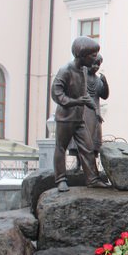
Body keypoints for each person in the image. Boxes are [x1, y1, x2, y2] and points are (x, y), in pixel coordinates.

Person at [51, 36, 109, 192]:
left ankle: (92, 179)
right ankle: (61, 179)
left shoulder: (84, 70)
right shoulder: (65, 70)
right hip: (65, 118)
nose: (96, 58)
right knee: (61, 147)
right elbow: (56, 94)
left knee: (88, 147)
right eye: (93, 55)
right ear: (82, 55)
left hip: (79, 117)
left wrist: (95, 110)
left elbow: (85, 96)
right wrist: (75, 101)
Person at [69, 53, 109, 163]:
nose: (96, 67)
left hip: (95, 114)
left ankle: (91, 164)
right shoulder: (82, 77)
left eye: (98, 65)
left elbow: (104, 95)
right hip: (84, 111)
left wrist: (105, 84)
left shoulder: (97, 80)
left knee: (93, 139)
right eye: (94, 64)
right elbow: (82, 93)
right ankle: (78, 163)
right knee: (82, 136)